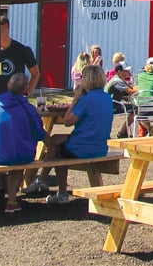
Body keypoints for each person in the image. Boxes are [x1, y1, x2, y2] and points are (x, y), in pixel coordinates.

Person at [28, 65, 113, 203]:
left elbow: (67, 121)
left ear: (88, 80)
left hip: (84, 147)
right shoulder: (107, 98)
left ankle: (60, 191)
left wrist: (76, 99)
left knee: (57, 151)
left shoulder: (86, 100)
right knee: (55, 139)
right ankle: (41, 179)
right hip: (100, 145)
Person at [0, 73, 46, 213]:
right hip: (19, 155)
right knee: (18, 159)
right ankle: (12, 200)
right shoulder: (28, 108)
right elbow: (39, 133)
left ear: (8, 85)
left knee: (8, 149)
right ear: (26, 88)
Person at [0, 15, 39, 100]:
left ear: (6, 26)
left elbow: (35, 74)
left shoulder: (23, 50)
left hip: (16, 97)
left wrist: (26, 94)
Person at [104, 62, 136, 138]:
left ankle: (123, 132)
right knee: (136, 109)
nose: (128, 72)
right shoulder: (117, 81)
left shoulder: (118, 79)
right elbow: (131, 92)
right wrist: (145, 88)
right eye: (126, 70)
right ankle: (122, 132)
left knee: (135, 108)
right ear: (119, 72)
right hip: (112, 105)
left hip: (111, 103)